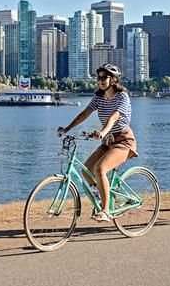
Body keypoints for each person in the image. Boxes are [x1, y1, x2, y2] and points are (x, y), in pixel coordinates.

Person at [57, 64, 137, 222]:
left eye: (104, 77)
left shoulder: (122, 97)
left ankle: (106, 211)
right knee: (86, 171)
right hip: (108, 142)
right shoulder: (99, 97)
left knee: (100, 168)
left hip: (123, 141)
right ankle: (102, 194)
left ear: (113, 80)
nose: (100, 80)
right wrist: (67, 128)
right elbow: (85, 113)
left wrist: (102, 132)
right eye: (98, 77)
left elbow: (114, 117)